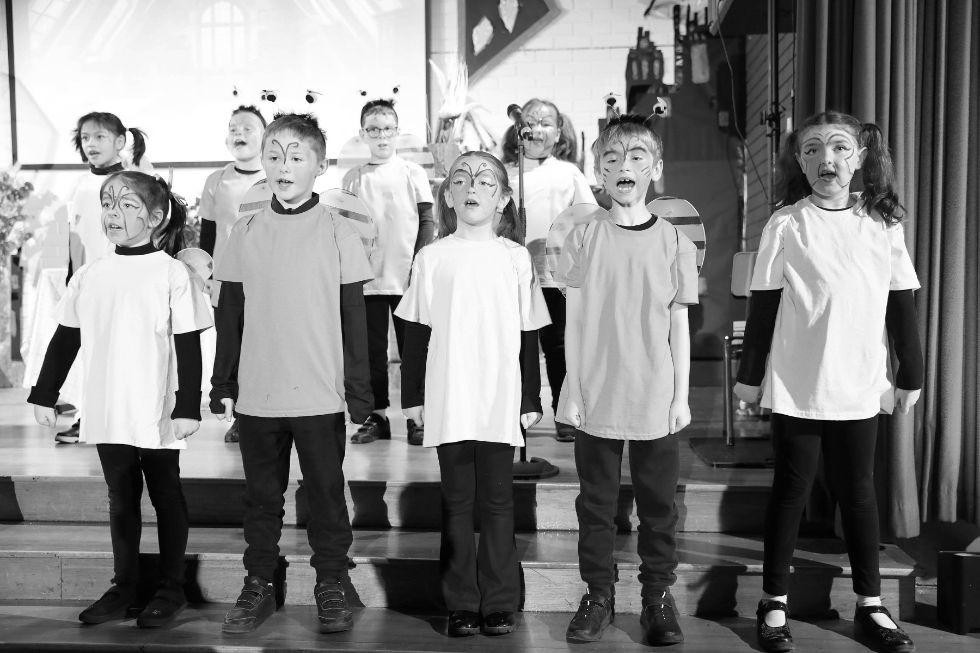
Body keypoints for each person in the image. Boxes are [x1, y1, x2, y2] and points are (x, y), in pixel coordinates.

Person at [734, 111, 922, 653]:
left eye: (839, 147)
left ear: (860, 157)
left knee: (858, 492)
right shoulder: (786, 223)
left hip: (859, 380)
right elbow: (763, 305)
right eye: (813, 149)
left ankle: (871, 604)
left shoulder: (881, 224)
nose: (827, 159)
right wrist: (750, 377)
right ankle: (774, 601)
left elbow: (901, 302)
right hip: (800, 381)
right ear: (800, 161)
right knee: (790, 490)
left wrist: (911, 371)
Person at [210, 113, 373, 636]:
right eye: (274, 155)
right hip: (259, 394)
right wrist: (222, 381)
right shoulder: (245, 230)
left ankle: (331, 580)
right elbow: (230, 314)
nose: (284, 165)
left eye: (297, 156)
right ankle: (259, 581)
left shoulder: (339, 231)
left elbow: (355, 320)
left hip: (319, 394)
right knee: (261, 499)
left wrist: (360, 393)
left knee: (326, 493)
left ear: (319, 166)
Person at [28, 171, 212, 628]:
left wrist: (188, 404)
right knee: (121, 497)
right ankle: (125, 585)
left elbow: (188, 343)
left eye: (128, 205)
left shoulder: (171, 273)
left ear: (155, 217)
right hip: (109, 403)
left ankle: (171, 588)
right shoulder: (91, 274)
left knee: (166, 493)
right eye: (108, 204)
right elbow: (66, 338)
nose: (113, 214)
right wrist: (44, 393)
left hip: (156, 406)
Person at [395, 151, 550, 637]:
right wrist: (413, 396)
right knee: (457, 502)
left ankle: (500, 600)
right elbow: (415, 332)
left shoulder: (515, 257)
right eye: (461, 180)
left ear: (503, 199)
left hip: (500, 395)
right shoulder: (432, 257)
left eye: (485, 181)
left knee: (499, 503)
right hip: (451, 394)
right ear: (447, 196)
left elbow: (528, 331)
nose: (472, 187)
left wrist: (530, 397)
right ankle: (461, 601)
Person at [557, 115, 698, 645]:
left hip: (654, 394)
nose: (624, 166)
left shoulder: (675, 242)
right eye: (612, 158)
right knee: (595, 506)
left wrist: (681, 396)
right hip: (596, 393)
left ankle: (657, 596)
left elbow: (679, 327)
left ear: (655, 169)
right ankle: (598, 594)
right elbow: (573, 322)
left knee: (659, 508)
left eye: (637, 157)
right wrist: (572, 388)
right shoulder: (583, 236)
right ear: (599, 172)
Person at [502, 98, 597, 442]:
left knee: (558, 345)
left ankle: (563, 409)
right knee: (516, 344)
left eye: (546, 123)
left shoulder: (568, 173)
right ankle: (518, 410)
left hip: (557, 273)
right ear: (518, 129)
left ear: (558, 132)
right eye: (530, 121)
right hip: (514, 273)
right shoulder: (506, 173)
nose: (537, 129)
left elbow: (588, 218)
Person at [55, 111, 151, 444]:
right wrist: (73, 278)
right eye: (85, 138)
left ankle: (129, 419)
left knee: (125, 351)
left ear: (120, 141)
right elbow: (75, 235)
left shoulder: (134, 181)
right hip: (90, 283)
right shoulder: (81, 185)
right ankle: (89, 417)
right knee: (91, 353)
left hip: (125, 281)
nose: (91, 144)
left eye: (100, 137)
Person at [342, 98, 435, 446]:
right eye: (374, 130)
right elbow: (345, 227)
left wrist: (418, 264)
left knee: (413, 351)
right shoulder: (354, 178)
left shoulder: (412, 172)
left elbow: (426, 221)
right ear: (362, 134)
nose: (381, 136)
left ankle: (415, 417)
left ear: (397, 132)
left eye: (387, 129)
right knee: (371, 354)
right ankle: (376, 416)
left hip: (407, 278)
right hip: (367, 280)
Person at [199, 105, 266, 444]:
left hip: (268, 280)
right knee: (231, 348)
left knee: (264, 346)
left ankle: (268, 414)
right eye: (233, 128)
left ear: (265, 136)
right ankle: (240, 416)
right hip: (228, 280)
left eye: (247, 128)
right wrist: (207, 275)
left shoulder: (276, 177)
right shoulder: (217, 180)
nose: (239, 133)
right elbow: (208, 233)